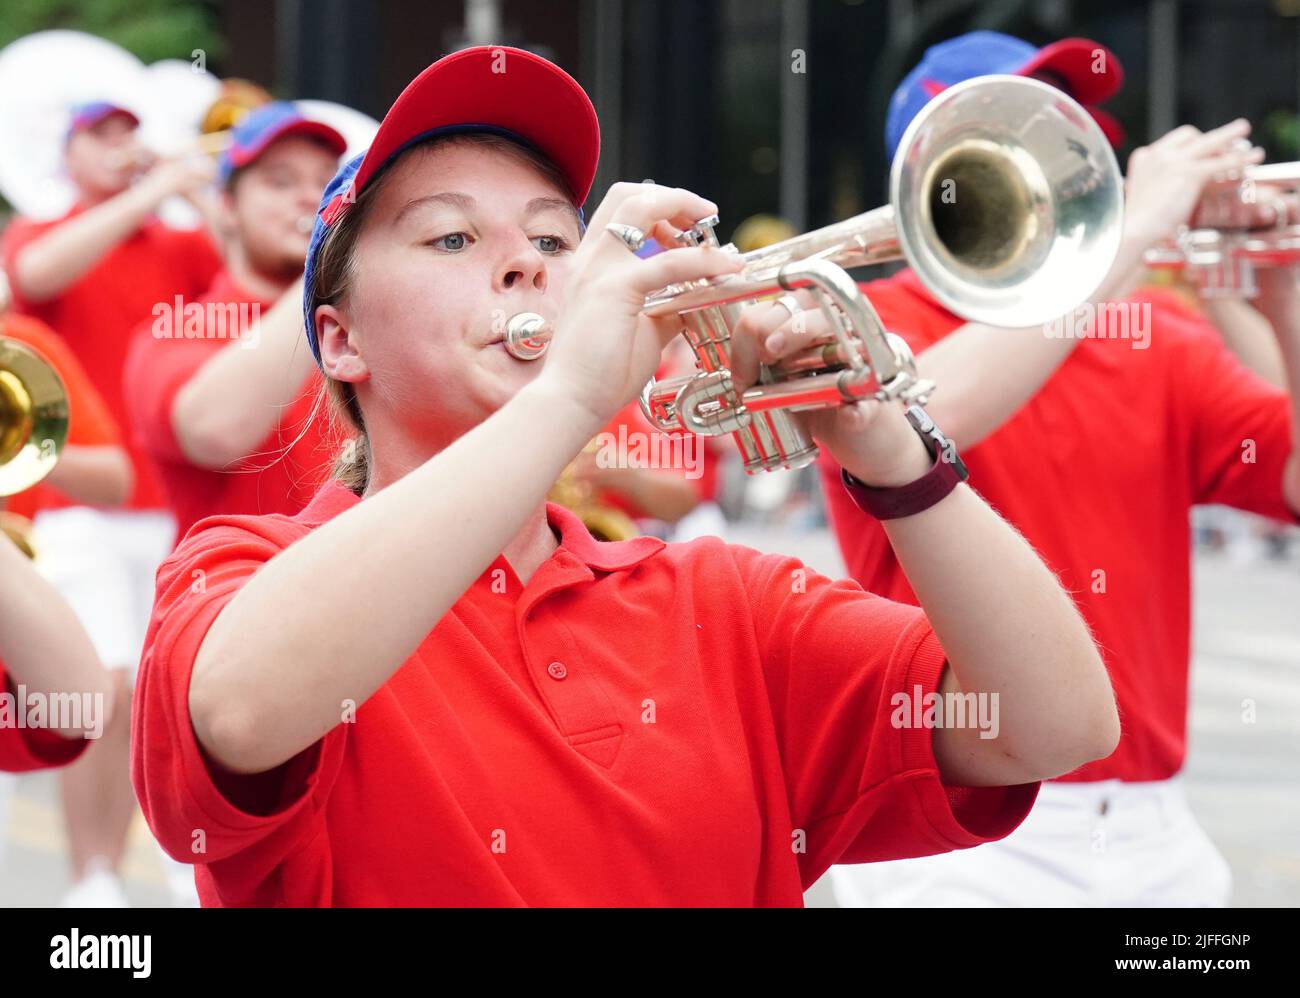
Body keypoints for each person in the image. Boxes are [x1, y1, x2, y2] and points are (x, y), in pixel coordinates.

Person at [131, 46, 1118, 907]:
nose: (526, 265)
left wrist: (889, 449)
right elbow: (243, 709)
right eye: (452, 237)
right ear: (340, 341)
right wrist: (567, 397)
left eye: (556, 240)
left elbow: (1052, 724)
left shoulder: (725, 600)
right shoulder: (243, 568)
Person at [798, 32, 1300, 906]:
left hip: (1151, 825)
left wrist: (1273, 286)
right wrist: (1134, 234)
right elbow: (918, 417)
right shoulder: (865, 317)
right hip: (954, 817)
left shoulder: (1159, 334)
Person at [1, 98, 223, 906]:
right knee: (100, 684)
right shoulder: (43, 229)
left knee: (171, 688)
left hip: (173, 504)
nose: (123, 146)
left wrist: (200, 188)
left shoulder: (178, 241)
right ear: (64, 154)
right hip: (79, 510)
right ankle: (92, 878)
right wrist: (144, 191)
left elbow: (250, 274)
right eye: (101, 134)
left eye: (130, 132)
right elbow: (32, 276)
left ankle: (174, 859)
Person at [124, 102, 347, 544]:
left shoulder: (370, 330)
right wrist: (331, 260)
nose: (311, 196)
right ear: (226, 208)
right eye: (280, 181)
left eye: (327, 181)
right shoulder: (178, 329)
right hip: (234, 599)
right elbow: (215, 430)